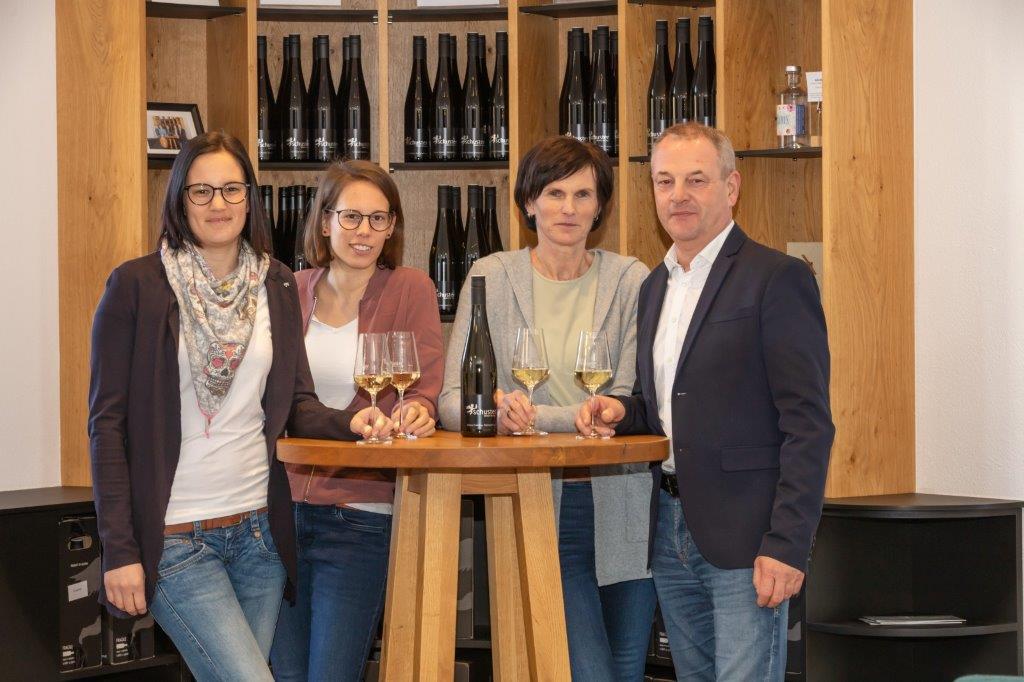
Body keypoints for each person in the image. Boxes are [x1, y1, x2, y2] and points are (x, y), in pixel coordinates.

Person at [88, 132, 393, 682]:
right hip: (175, 538)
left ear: (249, 199)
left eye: (232, 189)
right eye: (201, 191)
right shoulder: (136, 285)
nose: (218, 204)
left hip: (260, 536)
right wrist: (119, 549)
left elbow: (296, 402)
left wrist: (350, 422)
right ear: (180, 199)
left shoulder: (275, 283)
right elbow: (106, 427)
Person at [577, 122, 835, 680]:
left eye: (696, 180)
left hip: (748, 537)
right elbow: (666, 404)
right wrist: (623, 413)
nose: (678, 196)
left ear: (731, 187)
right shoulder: (655, 286)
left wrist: (787, 543)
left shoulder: (777, 278)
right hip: (670, 528)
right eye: (665, 181)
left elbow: (809, 425)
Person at [438, 136, 655, 681]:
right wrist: (491, 414)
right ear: (529, 202)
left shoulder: (631, 279)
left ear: (600, 206)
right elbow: (451, 403)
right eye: (554, 193)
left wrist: (530, 420)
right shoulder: (490, 276)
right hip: (536, 504)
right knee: (590, 673)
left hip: (624, 502)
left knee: (626, 671)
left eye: (583, 195)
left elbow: (626, 400)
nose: (568, 208)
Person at [270, 160, 443, 682]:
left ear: (392, 227)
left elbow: (423, 387)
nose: (363, 231)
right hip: (279, 511)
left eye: (377, 218)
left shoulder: (411, 288)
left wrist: (419, 410)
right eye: (350, 217)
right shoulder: (288, 287)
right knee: (284, 674)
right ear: (325, 221)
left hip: (360, 513)